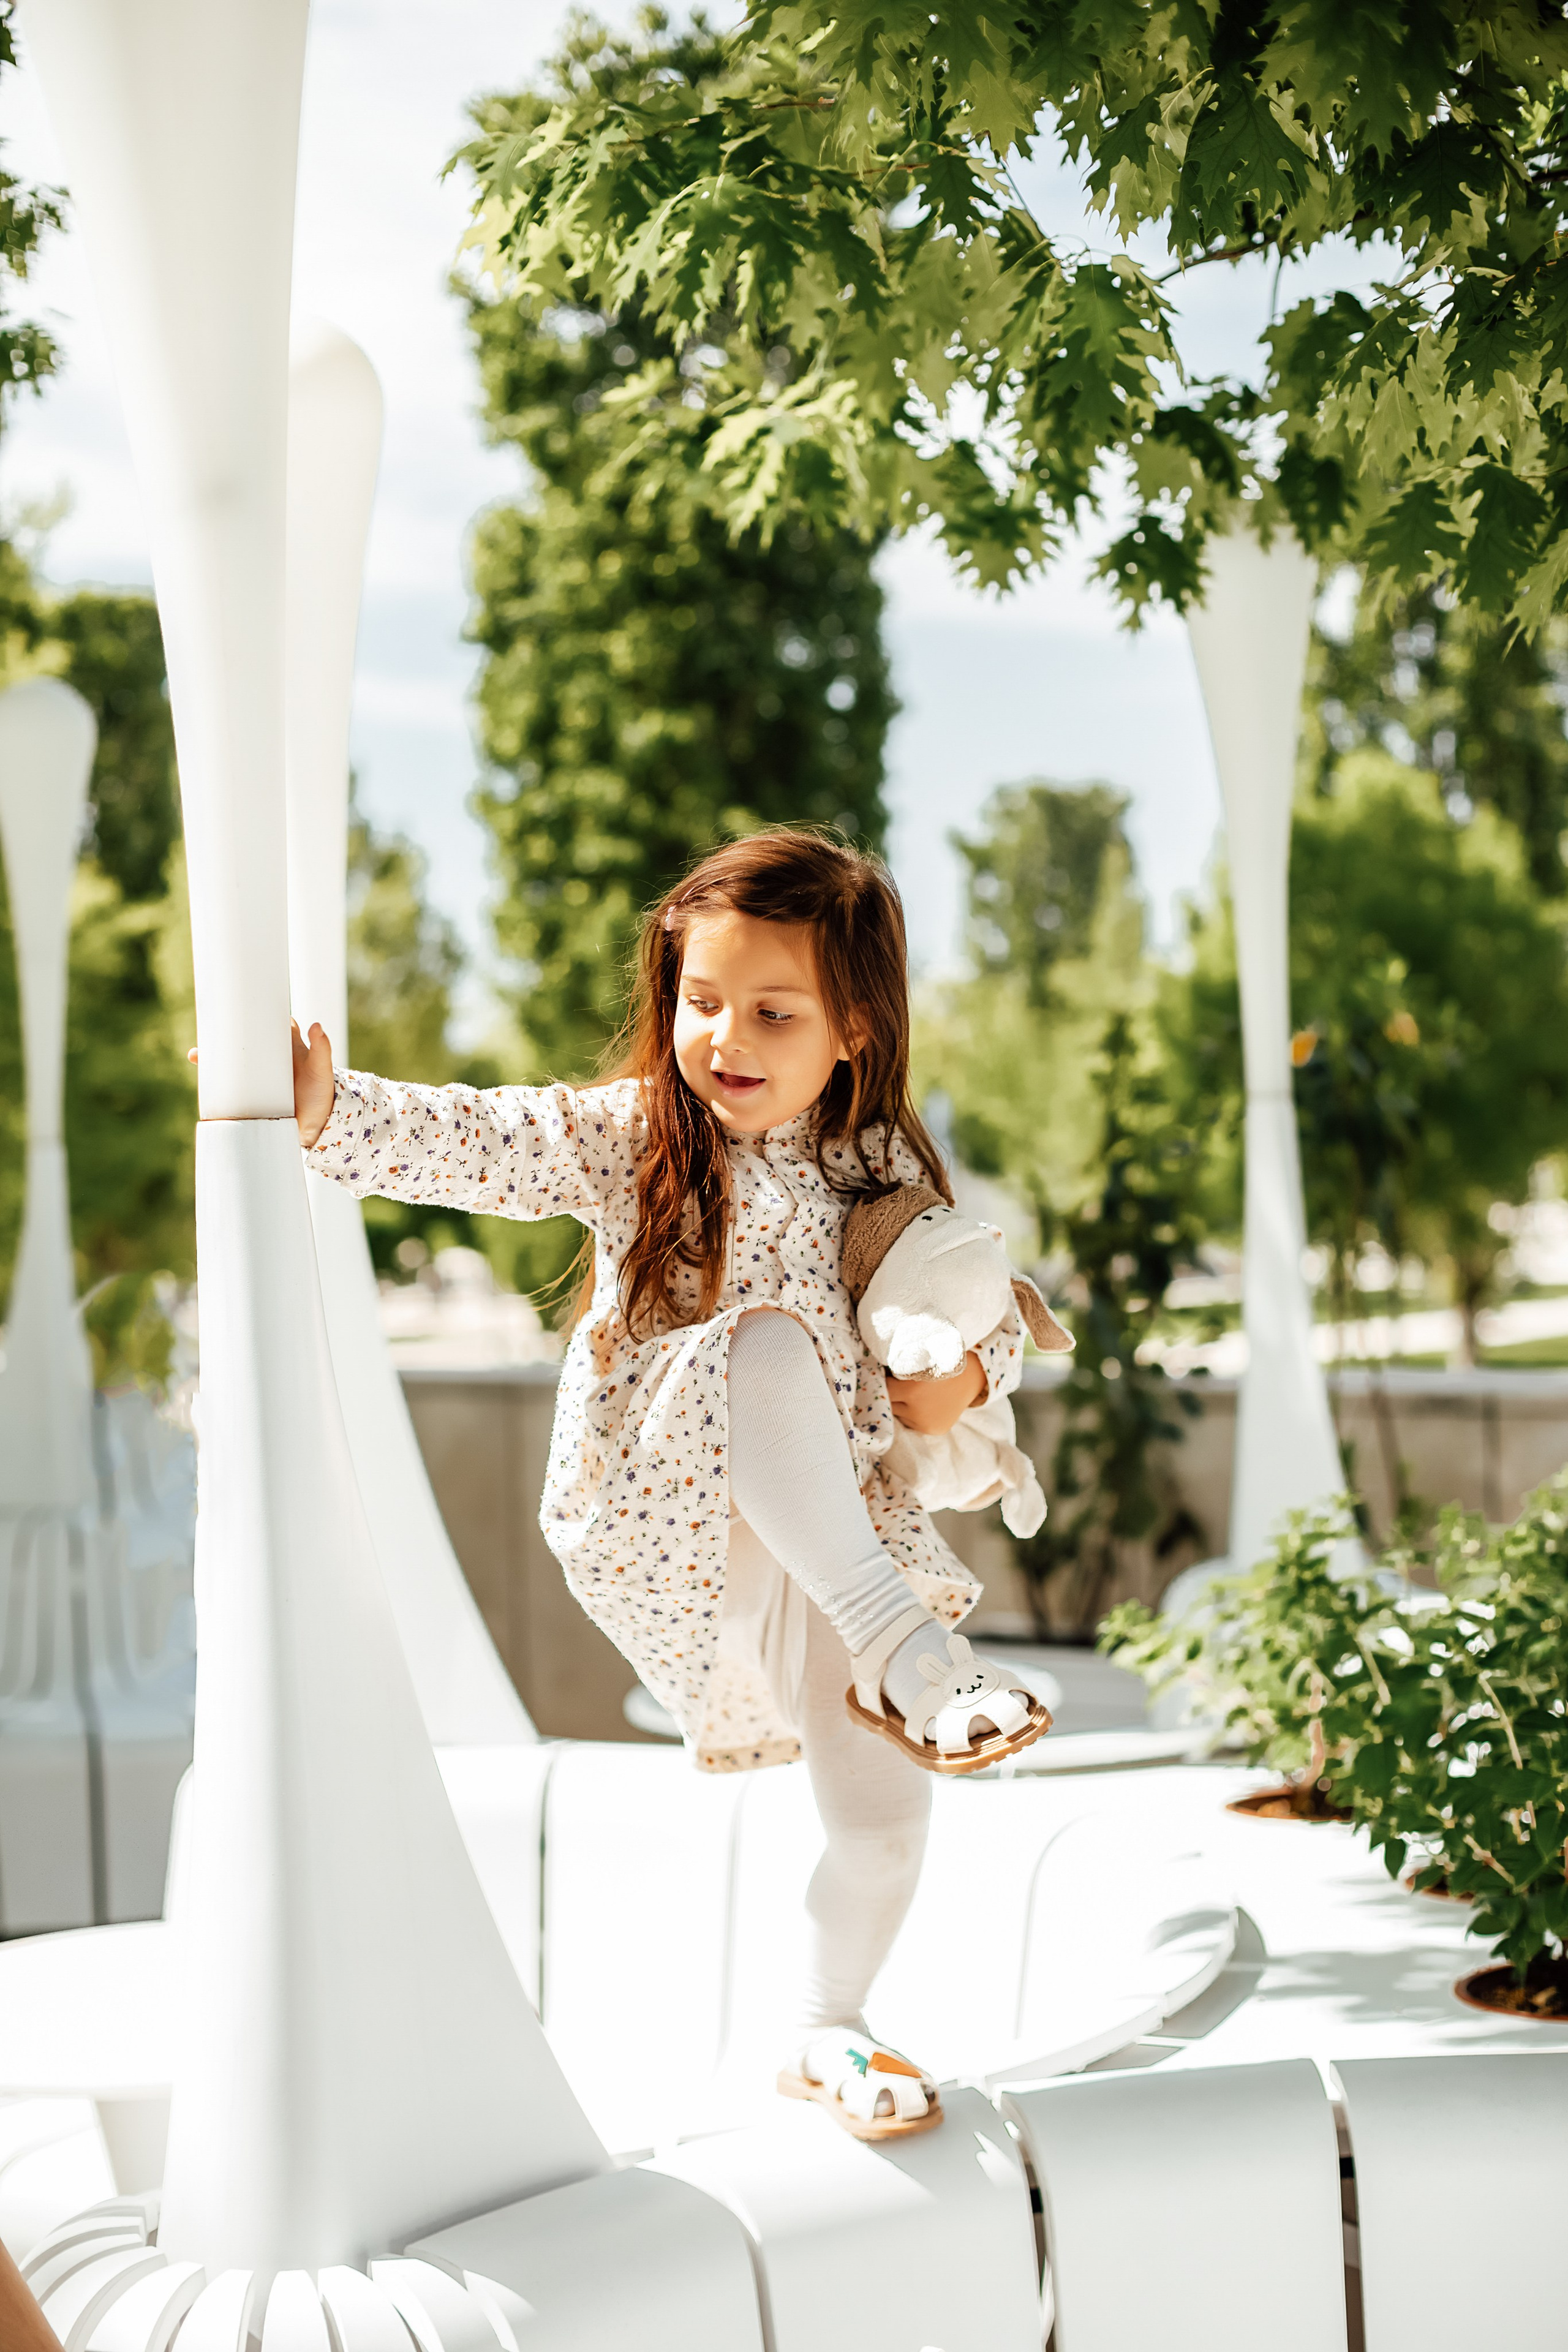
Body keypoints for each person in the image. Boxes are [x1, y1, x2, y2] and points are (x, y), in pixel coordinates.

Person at [296, 829, 1052, 2138]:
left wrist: (970, 1382)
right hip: (670, 1493)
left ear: (854, 1030)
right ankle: (902, 1653)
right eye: (701, 1002)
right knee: (760, 1344)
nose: (725, 1037)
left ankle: (827, 2025)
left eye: (772, 1010)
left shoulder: (883, 1177)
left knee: (881, 1823)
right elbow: (483, 1135)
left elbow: (968, 1297)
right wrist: (327, 1112)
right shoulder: (640, 1135)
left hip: (828, 1538)